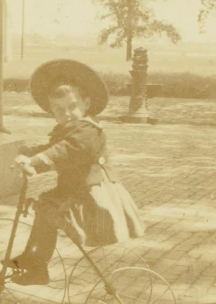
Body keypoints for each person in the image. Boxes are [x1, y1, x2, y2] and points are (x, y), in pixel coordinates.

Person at [8, 59, 145, 285]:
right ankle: (32, 260)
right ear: (52, 111)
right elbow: (55, 147)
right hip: (75, 189)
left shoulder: (88, 130)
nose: (67, 114)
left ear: (86, 102)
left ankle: (37, 266)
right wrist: (30, 151)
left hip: (93, 193)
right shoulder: (70, 129)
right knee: (45, 207)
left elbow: (66, 150)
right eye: (59, 110)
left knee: (48, 208)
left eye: (72, 106)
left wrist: (36, 161)